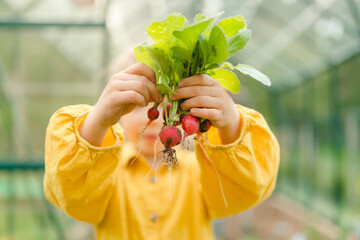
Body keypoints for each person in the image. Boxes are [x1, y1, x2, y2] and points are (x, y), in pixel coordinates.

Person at [43, 62, 280, 240]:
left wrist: (230, 121)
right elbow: (67, 190)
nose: (154, 120)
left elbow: (252, 185)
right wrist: (96, 120)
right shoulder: (101, 172)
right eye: (136, 108)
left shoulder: (202, 169)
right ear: (117, 116)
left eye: (166, 110)